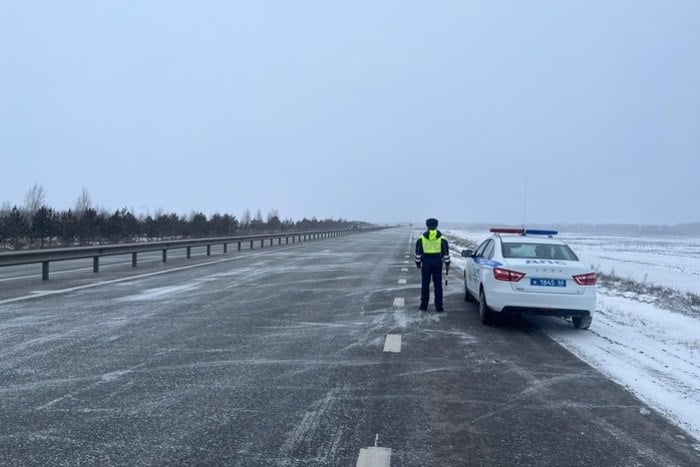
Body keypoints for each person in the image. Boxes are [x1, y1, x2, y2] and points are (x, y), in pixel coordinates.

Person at [415, 218, 450, 312]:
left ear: (427, 226)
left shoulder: (421, 239)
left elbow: (418, 253)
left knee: (425, 285)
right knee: (438, 286)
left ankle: (424, 306)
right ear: (436, 225)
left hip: (426, 263)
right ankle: (439, 307)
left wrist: (418, 263)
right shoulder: (442, 239)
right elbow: (446, 254)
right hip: (438, 263)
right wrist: (447, 264)